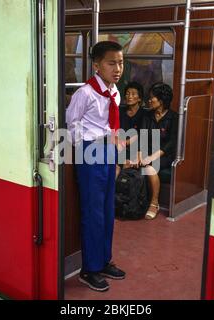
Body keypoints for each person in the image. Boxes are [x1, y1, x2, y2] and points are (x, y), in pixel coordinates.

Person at [66, 41, 126, 292]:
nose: (118, 68)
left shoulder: (114, 92)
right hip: (90, 152)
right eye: (112, 63)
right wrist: (86, 152)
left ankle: (103, 260)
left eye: (121, 62)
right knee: (93, 213)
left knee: (106, 209)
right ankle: (88, 269)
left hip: (108, 150)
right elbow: (72, 124)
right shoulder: (85, 93)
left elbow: (112, 126)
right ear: (97, 65)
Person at [138, 83, 178, 220]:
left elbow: (171, 144)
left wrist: (150, 157)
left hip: (164, 155)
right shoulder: (147, 115)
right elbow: (142, 137)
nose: (149, 101)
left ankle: (154, 203)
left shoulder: (173, 118)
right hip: (147, 151)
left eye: (152, 98)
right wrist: (139, 154)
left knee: (150, 167)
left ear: (161, 100)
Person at [116, 81, 146, 178]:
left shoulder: (144, 114)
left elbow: (141, 136)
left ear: (140, 98)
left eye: (133, 94)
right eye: (128, 94)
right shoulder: (120, 111)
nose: (129, 96)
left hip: (135, 149)